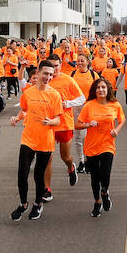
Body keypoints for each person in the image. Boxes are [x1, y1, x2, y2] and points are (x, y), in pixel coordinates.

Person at [10, 60, 62, 221]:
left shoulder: (54, 95)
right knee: (22, 173)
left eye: (51, 74)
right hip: (28, 138)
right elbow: (24, 109)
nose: (48, 77)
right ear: (38, 73)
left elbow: (58, 120)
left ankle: (38, 204)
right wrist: (17, 119)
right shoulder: (29, 93)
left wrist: (50, 122)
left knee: (39, 176)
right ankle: (23, 204)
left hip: (45, 141)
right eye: (45, 73)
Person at [75, 77, 125, 218]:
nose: (101, 90)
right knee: (95, 178)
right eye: (98, 87)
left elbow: (122, 120)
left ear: (108, 89)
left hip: (107, 145)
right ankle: (97, 202)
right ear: (94, 91)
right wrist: (88, 124)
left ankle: (105, 192)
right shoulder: (89, 105)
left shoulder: (115, 105)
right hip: (91, 146)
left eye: (103, 87)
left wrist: (117, 130)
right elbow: (77, 125)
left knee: (105, 174)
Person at [47, 61, 86, 195]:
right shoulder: (45, 80)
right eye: (51, 66)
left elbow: (82, 98)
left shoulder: (68, 80)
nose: (54, 68)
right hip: (48, 124)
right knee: (48, 157)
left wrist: (68, 103)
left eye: (56, 65)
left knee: (65, 157)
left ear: (60, 65)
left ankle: (71, 167)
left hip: (64, 124)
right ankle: (47, 189)